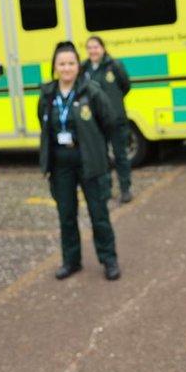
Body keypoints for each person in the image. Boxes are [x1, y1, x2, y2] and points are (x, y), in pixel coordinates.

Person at [39, 41, 121, 281]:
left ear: (78, 65)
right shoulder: (47, 94)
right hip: (60, 164)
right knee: (66, 215)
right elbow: (44, 125)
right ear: (55, 67)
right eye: (62, 63)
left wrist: (96, 147)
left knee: (98, 214)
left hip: (89, 163)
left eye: (71, 63)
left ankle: (109, 260)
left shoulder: (91, 91)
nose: (66, 68)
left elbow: (109, 122)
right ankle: (71, 261)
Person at [81, 35, 133, 203]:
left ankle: (125, 189)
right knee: (101, 157)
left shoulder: (114, 65)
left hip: (116, 120)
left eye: (96, 47)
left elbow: (125, 86)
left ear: (103, 48)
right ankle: (106, 190)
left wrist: (114, 104)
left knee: (120, 156)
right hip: (96, 122)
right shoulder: (84, 68)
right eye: (89, 48)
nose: (93, 51)